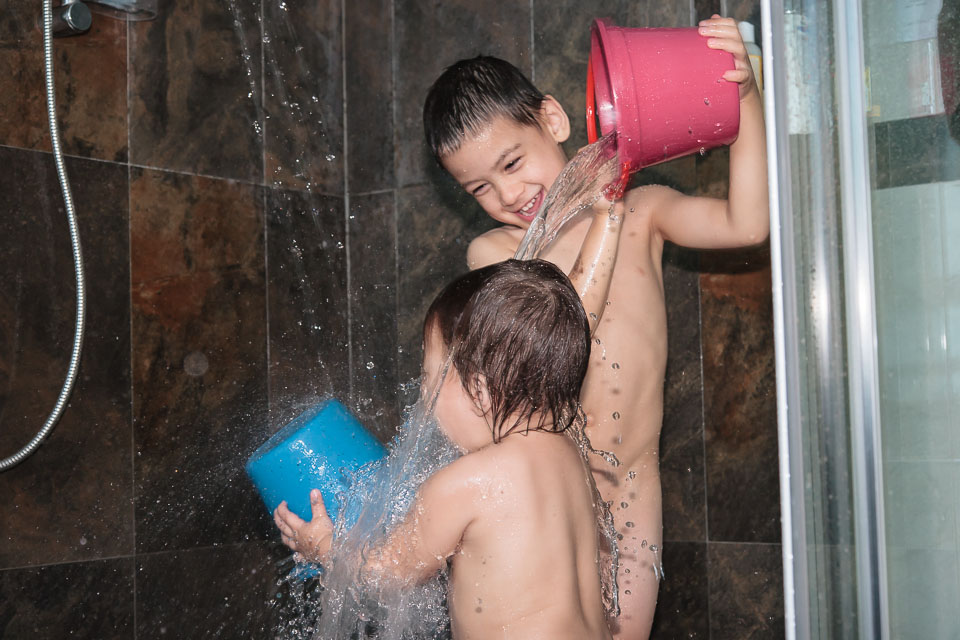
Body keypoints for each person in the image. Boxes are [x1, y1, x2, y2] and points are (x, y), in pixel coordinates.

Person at [421, 15, 769, 638]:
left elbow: (747, 224)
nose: (508, 193)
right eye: (480, 188)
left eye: (512, 162)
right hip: (551, 495)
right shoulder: (497, 254)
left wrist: (742, 101)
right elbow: (564, 322)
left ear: (553, 120)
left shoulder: (644, 212)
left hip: (633, 487)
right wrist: (604, 217)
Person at [274, 258, 625, 639]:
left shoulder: (466, 482)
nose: (425, 396)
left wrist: (324, 547)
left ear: (478, 390)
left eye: (429, 378)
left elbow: (388, 574)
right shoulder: (570, 457)